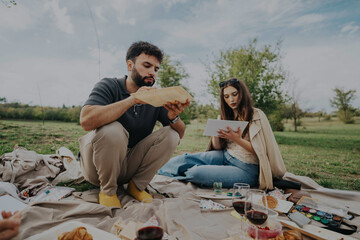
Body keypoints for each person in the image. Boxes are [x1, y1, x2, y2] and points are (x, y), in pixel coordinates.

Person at [79, 41, 190, 208]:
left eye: (156, 69)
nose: (152, 72)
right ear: (130, 65)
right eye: (147, 65)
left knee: (171, 134)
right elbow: (86, 121)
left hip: (128, 167)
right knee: (112, 129)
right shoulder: (109, 85)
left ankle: (136, 186)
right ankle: (108, 191)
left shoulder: (156, 97)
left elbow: (179, 135)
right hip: (97, 168)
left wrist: (174, 117)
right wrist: (132, 100)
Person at [158, 78, 286, 190]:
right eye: (226, 97)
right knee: (185, 158)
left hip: (247, 169)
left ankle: (186, 174)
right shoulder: (226, 115)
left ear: (242, 94)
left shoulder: (256, 115)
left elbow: (261, 150)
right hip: (225, 156)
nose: (231, 99)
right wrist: (215, 132)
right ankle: (156, 171)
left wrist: (237, 139)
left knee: (196, 172)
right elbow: (218, 147)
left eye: (234, 94)